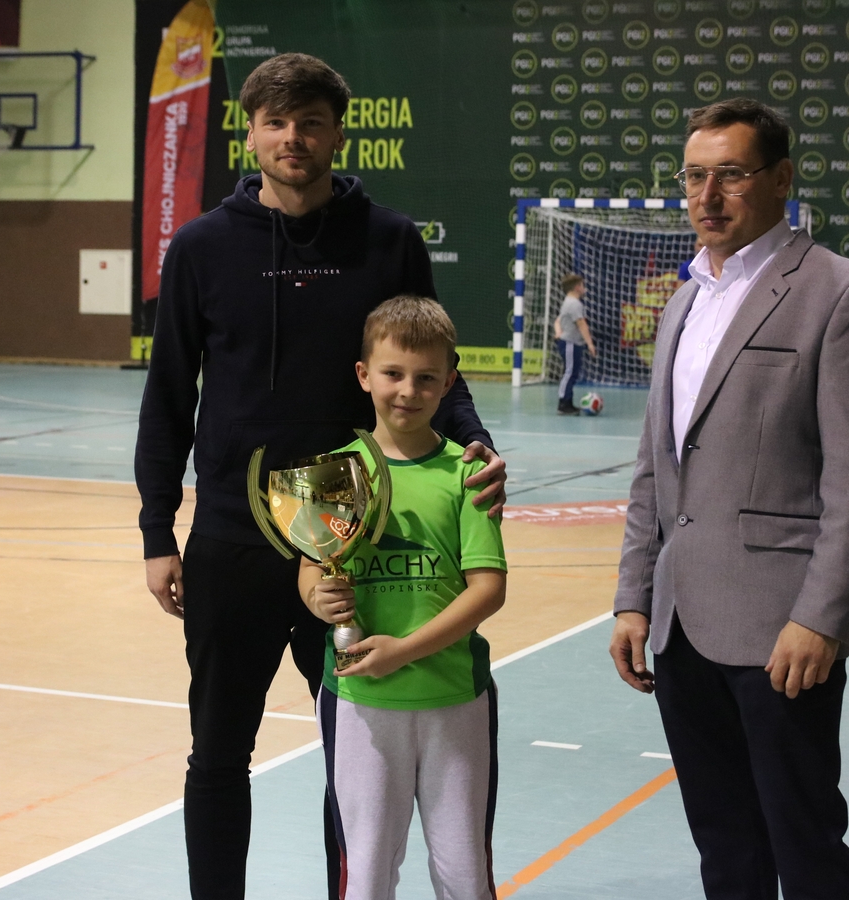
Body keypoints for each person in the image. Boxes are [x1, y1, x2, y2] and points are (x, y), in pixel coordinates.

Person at [134, 53, 506, 900]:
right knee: (217, 754)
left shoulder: (389, 240)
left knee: (356, 758)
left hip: (353, 542)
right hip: (232, 538)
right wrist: (158, 532)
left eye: (310, 122)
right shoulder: (200, 248)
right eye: (276, 122)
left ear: (339, 133)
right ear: (251, 134)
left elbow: (433, 365)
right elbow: (168, 397)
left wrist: (475, 441)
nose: (293, 138)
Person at [608, 98, 849, 899]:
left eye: (730, 175)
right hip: (680, 628)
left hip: (782, 631)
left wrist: (821, 618)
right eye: (694, 177)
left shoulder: (842, 293)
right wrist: (633, 597)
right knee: (724, 847)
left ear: (781, 179)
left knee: (803, 843)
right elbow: (655, 467)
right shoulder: (684, 300)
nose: (707, 196)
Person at [301, 295, 506, 900]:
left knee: (464, 874)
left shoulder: (468, 473)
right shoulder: (335, 474)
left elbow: (488, 589)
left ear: (449, 381)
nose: (408, 391)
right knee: (364, 874)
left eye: (425, 378)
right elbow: (312, 570)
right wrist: (317, 598)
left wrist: (404, 651)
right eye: (392, 374)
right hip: (360, 701)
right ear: (364, 375)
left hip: (454, 697)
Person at [553, 273, 597, 415]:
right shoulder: (574, 304)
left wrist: (558, 331)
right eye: (582, 285)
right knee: (569, 372)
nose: (584, 288)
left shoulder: (569, 302)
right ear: (577, 287)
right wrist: (590, 344)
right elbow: (582, 324)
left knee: (572, 372)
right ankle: (563, 403)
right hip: (570, 343)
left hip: (572, 343)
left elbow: (558, 320)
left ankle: (568, 402)